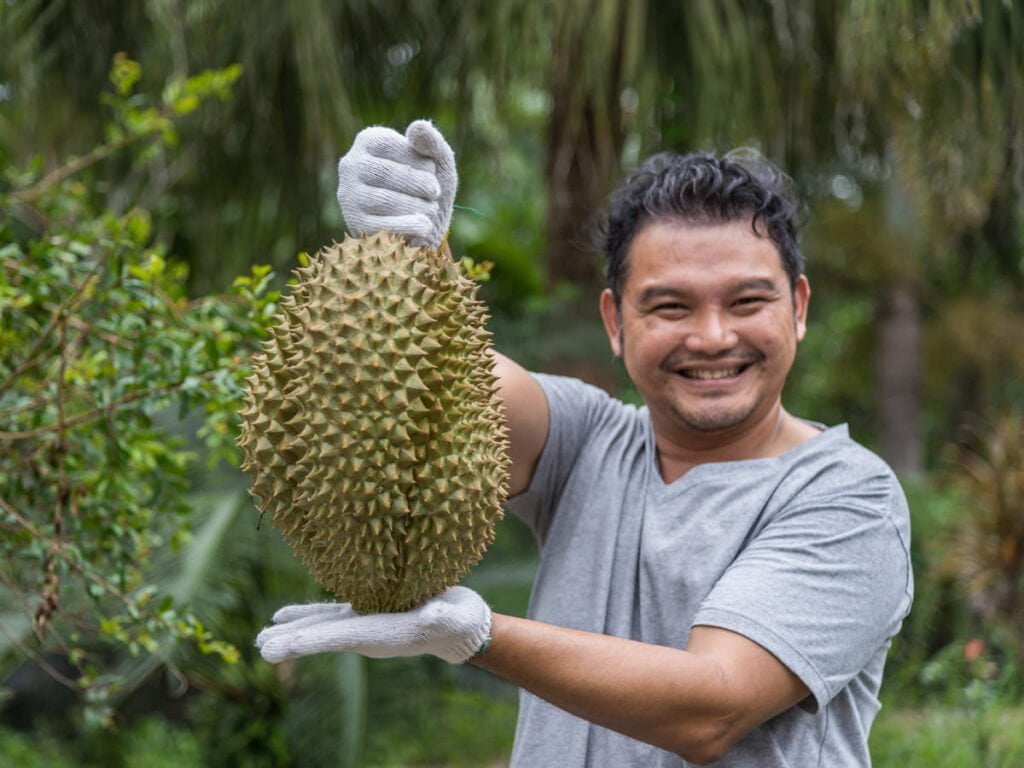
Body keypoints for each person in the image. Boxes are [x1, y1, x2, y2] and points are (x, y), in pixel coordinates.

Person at [256, 121, 913, 767]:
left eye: (746, 301)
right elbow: (444, 382)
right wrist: (414, 241)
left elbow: (712, 707)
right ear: (615, 322)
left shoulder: (849, 497)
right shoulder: (590, 441)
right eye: (670, 308)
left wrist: (477, 636)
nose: (713, 336)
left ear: (798, 307)